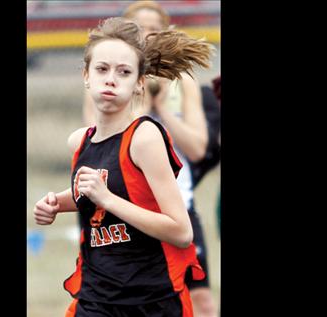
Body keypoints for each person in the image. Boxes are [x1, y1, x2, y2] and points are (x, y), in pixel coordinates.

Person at [34, 17, 214, 317]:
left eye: (124, 72)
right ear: (86, 75)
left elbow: (181, 231)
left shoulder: (144, 137)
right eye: (102, 69)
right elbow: (105, 184)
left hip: (151, 300)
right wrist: (56, 203)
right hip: (95, 297)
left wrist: (108, 200)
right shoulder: (80, 141)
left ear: (139, 83)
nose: (111, 79)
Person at [82, 2, 218, 316]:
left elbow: (198, 149)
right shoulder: (109, 82)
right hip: (117, 203)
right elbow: (95, 141)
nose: (147, 37)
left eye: (153, 30)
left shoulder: (182, 83)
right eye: (139, 30)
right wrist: (140, 103)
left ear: (165, 33)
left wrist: (164, 108)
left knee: (201, 301)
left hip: (175, 202)